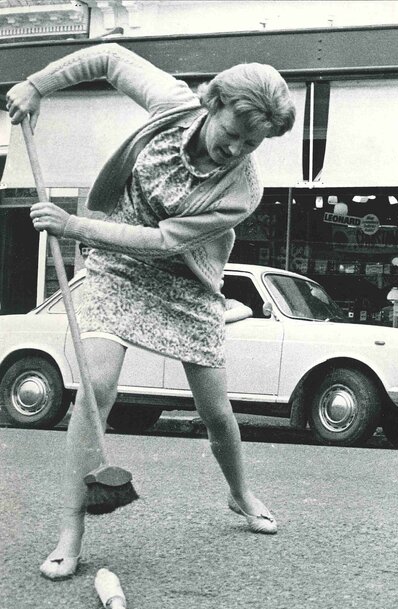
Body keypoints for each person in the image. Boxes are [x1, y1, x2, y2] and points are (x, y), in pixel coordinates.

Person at [6, 42, 296, 580]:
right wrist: (37, 84)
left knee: (216, 412)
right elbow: (111, 58)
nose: (236, 149)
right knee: (96, 388)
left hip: (185, 281)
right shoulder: (172, 104)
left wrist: (73, 227)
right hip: (117, 265)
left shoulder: (244, 190)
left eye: (251, 143)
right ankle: (71, 530)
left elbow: (164, 241)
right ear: (213, 103)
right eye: (231, 133)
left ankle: (239, 492)